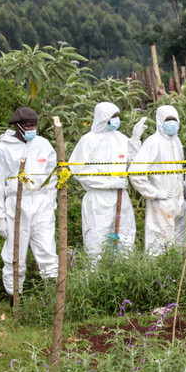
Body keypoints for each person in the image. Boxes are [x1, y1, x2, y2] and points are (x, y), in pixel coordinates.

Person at [0, 107, 58, 295]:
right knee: (14, 255)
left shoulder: (43, 145)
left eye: (35, 125)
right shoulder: (2, 150)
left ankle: (52, 297)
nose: (32, 129)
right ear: (18, 127)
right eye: (28, 126)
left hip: (41, 203)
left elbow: (53, 177)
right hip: (16, 204)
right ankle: (14, 298)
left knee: (47, 250)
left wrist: (51, 203)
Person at [68, 102, 147, 258]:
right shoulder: (88, 140)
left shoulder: (121, 138)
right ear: (103, 118)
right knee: (96, 240)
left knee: (125, 236)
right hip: (98, 199)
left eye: (117, 116)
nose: (117, 119)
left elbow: (134, 161)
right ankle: (95, 278)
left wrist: (135, 139)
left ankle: (122, 274)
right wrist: (109, 183)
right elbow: (80, 172)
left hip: (119, 196)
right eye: (113, 116)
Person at [129, 105, 186, 254]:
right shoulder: (153, 142)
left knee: (179, 243)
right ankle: (158, 276)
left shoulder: (176, 142)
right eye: (168, 120)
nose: (172, 123)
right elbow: (135, 172)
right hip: (161, 203)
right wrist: (154, 192)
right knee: (159, 244)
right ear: (160, 121)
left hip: (178, 201)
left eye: (174, 119)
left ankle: (178, 275)